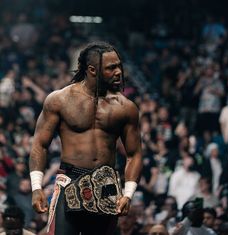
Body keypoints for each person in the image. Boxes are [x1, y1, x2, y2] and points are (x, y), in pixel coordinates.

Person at [29, 41, 143, 235]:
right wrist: (36, 187)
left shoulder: (125, 107)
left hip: (107, 184)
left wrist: (129, 194)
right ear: (92, 70)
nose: (119, 72)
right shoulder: (60, 100)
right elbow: (40, 144)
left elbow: (134, 154)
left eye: (119, 66)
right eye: (111, 68)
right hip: (69, 180)